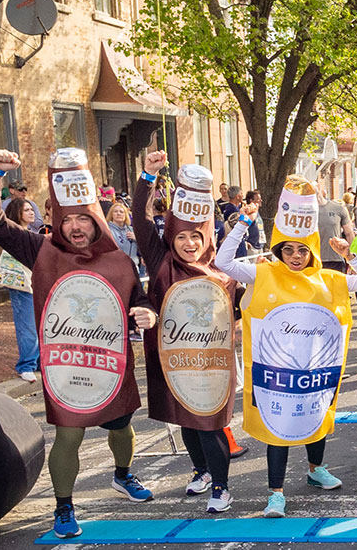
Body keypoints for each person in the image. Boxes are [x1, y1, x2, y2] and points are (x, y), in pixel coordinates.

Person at [0, 148, 159, 540]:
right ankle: (64, 507)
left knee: (121, 428)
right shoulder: (41, 251)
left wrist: (147, 313)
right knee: (69, 436)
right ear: (58, 219)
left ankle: (123, 475)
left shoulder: (119, 261)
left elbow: (139, 301)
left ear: (96, 218)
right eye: (68, 218)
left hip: (112, 363)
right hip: (66, 366)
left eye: (83, 218)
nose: (76, 226)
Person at [216, 175, 357, 517]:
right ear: (278, 249)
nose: (294, 256)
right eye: (288, 249)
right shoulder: (262, 273)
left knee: (315, 415)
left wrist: (350, 255)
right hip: (275, 373)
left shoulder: (328, 279)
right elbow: (224, 262)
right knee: (278, 428)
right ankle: (275, 492)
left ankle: (315, 469)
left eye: (301, 249)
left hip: (313, 370)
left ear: (310, 250)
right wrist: (244, 222)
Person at [132, 152, 244, 514]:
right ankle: (201, 471)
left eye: (196, 236)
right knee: (186, 418)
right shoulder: (161, 260)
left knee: (209, 423)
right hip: (174, 357)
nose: (189, 243)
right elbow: (140, 220)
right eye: (181, 237)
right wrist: (148, 178)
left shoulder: (224, 270)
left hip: (212, 360)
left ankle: (222, 487)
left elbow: (244, 306)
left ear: (206, 234)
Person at [0, 198, 41, 382]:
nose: (32, 213)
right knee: (27, 326)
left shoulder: (30, 232)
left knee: (38, 326)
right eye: (27, 210)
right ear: (17, 213)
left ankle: (37, 362)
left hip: (35, 283)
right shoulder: (14, 234)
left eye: (32, 209)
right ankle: (26, 365)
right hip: (21, 284)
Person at [106, 202, 141, 274]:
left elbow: (143, 249)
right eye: (115, 211)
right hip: (115, 269)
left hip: (133, 268)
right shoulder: (107, 230)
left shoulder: (132, 230)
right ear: (111, 214)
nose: (118, 214)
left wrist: (137, 239)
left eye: (121, 212)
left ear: (126, 215)